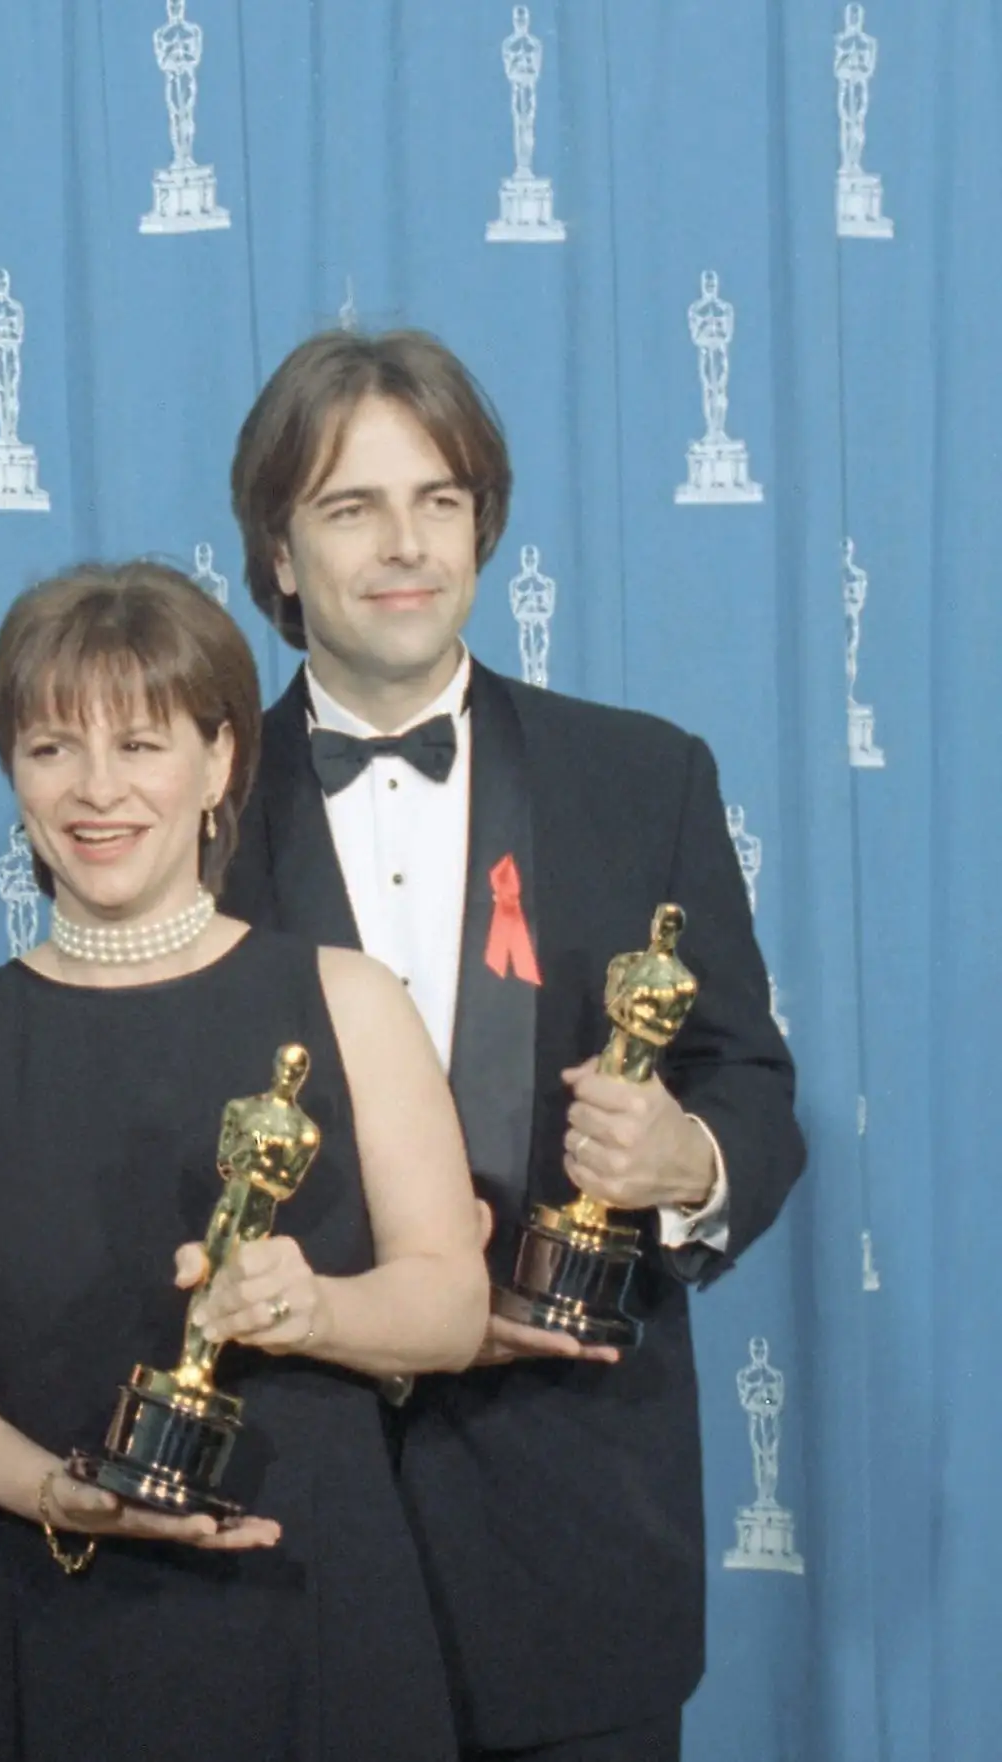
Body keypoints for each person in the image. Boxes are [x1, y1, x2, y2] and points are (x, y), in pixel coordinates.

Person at [221, 328, 805, 1761]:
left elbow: (749, 1078)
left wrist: (692, 1155)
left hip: (575, 1525)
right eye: (349, 508)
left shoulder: (643, 774)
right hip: (287, 1508)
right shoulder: (187, 796)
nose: (403, 544)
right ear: (279, 556)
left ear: (482, 520)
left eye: (437, 498)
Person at [0, 562, 489, 1762]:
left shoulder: (348, 1001)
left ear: (217, 762)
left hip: (311, 1611)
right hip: (46, 1615)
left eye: (140, 745)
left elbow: (451, 1305)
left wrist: (311, 1308)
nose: (95, 790)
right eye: (53, 748)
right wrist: (55, 1492)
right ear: (14, 771)